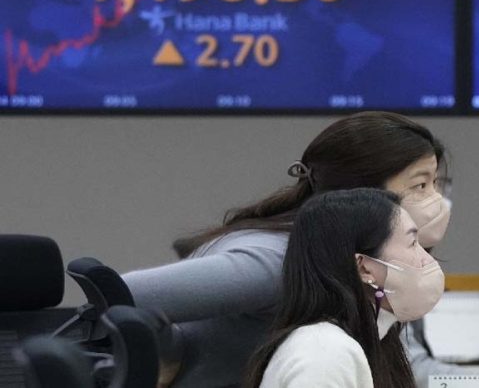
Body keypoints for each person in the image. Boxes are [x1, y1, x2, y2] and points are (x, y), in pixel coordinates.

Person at [122, 111, 457, 387]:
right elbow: (122, 293)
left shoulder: (364, 261)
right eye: (420, 185)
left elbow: (406, 365)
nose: (435, 201)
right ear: (359, 192)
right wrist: (169, 352)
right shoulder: (281, 262)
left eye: (435, 185)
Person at [245, 188, 443, 388]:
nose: (427, 259)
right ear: (364, 267)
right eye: (412, 243)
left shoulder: (372, 342)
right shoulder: (324, 353)